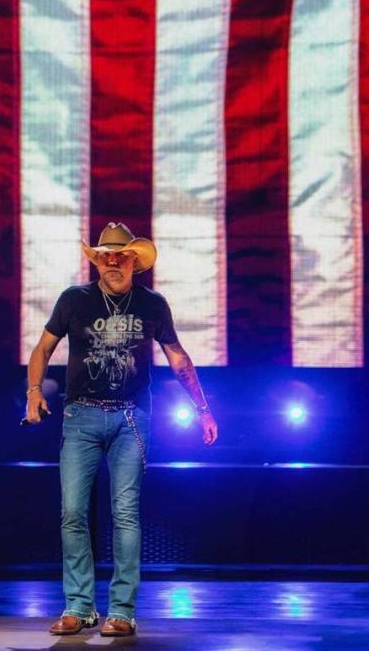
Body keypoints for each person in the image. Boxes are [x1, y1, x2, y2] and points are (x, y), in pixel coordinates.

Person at [25, 221, 218, 638]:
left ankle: (122, 611)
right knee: (73, 513)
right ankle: (79, 606)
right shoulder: (74, 300)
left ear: (135, 261)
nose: (113, 261)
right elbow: (42, 348)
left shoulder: (152, 304)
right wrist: (34, 391)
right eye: (105, 255)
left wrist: (203, 409)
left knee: (125, 515)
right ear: (97, 261)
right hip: (81, 417)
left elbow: (178, 359)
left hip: (131, 418)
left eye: (121, 254)